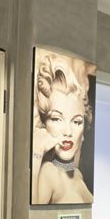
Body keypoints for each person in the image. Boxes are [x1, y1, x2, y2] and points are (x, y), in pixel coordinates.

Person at [32, 52, 94, 204]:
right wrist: (37, 153)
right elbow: (33, 216)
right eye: (56, 119)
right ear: (44, 124)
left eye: (76, 122)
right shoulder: (48, 172)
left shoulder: (77, 174)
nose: (68, 132)